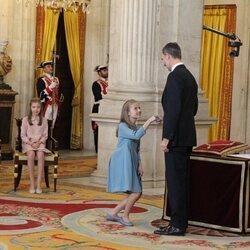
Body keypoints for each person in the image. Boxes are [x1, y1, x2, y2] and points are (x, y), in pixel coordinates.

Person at [154, 42, 198, 236]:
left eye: (163, 58)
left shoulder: (174, 77)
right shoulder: (189, 77)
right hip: (187, 136)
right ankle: (181, 222)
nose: (163, 61)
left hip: (176, 139)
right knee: (182, 181)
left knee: (175, 182)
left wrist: (167, 137)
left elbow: (173, 109)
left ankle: (177, 225)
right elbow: (192, 109)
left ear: (168, 56)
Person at [106, 99, 161, 226]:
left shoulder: (135, 127)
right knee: (136, 192)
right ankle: (124, 216)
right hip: (122, 160)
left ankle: (114, 212)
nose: (139, 110)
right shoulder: (122, 126)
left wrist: (139, 163)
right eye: (135, 108)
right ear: (128, 113)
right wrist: (149, 120)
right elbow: (136, 136)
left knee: (137, 192)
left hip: (132, 159)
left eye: (139, 108)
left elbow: (137, 148)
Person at [21, 97, 50, 194]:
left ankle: (38, 184)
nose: (36, 109)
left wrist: (39, 142)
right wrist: (31, 143)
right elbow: (23, 135)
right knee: (31, 155)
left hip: (40, 143)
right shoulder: (25, 120)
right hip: (29, 143)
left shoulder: (44, 120)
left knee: (41, 155)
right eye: (34, 107)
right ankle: (32, 183)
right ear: (30, 108)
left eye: (38, 107)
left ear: (41, 108)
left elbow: (45, 135)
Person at [37, 60, 63, 127]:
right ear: (44, 69)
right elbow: (41, 95)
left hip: (55, 104)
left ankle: (50, 137)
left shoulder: (56, 79)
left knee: (52, 125)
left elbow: (58, 92)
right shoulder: (41, 80)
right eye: (48, 67)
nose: (51, 68)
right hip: (47, 104)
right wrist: (50, 87)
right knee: (44, 124)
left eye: (51, 66)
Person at [91, 65, 109, 153]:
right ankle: (98, 150)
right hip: (99, 107)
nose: (106, 72)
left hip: (109, 108)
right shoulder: (96, 84)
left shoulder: (111, 83)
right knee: (97, 129)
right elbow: (98, 97)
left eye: (107, 70)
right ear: (99, 73)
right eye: (104, 70)